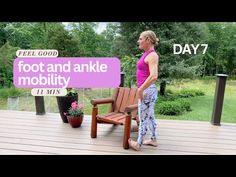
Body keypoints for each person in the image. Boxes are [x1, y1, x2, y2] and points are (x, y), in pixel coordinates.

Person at [128, 30, 160, 151]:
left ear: (148, 40)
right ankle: (153, 139)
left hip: (147, 90)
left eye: (141, 38)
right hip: (148, 90)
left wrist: (141, 89)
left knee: (143, 118)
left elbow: (154, 76)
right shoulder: (146, 54)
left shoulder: (152, 55)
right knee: (150, 116)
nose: (138, 41)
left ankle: (138, 144)